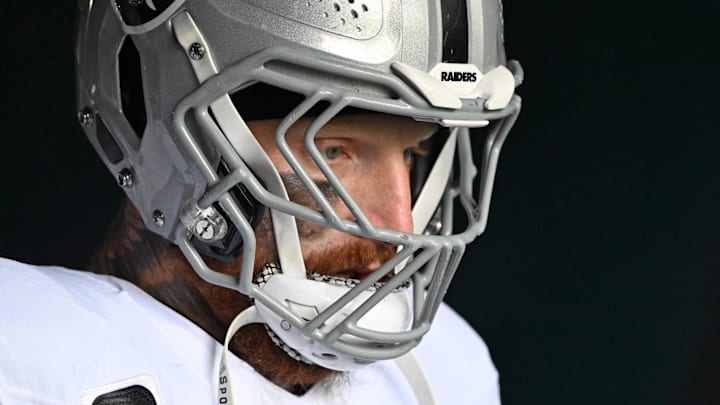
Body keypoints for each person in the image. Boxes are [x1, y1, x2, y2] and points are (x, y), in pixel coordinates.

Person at [0, 0, 522, 403]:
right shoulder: (30, 358)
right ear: (158, 132)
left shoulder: (446, 374)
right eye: (335, 149)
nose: (398, 222)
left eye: (413, 154)